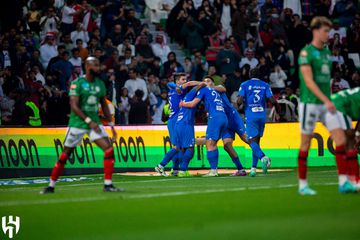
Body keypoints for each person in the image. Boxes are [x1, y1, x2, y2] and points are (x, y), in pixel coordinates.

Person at [41, 57, 121, 194]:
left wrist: (112, 125)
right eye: (95, 65)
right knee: (66, 153)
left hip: (94, 123)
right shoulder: (77, 83)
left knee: (109, 149)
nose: (98, 67)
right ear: (87, 66)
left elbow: (104, 105)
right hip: (78, 123)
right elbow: (74, 106)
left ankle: (108, 185)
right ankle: (51, 185)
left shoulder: (100, 84)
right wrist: (89, 121)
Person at [297, 16, 356, 195]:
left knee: (341, 139)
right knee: (305, 143)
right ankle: (303, 185)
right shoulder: (306, 53)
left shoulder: (326, 53)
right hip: (310, 104)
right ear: (316, 31)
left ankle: (343, 182)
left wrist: (327, 100)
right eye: (325, 31)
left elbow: (324, 81)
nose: (328, 34)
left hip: (325, 103)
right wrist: (326, 99)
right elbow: (308, 81)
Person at [180, 77, 228, 177]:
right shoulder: (215, 90)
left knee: (210, 143)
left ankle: (213, 171)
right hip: (224, 117)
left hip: (214, 117)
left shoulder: (204, 89)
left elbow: (193, 104)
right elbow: (222, 89)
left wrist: (183, 103)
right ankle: (214, 169)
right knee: (212, 143)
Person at [237, 67, 280, 177]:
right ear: (259, 75)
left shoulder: (245, 84)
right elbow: (272, 100)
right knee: (256, 142)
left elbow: (239, 101)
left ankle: (263, 157)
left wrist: (238, 102)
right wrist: (279, 110)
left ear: (250, 74)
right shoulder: (265, 85)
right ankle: (253, 169)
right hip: (262, 115)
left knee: (251, 141)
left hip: (251, 116)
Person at [154, 73, 199, 176]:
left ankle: (174, 169)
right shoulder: (180, 90)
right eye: (183, 79)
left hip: (173, 120)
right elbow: (189, 84)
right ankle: (161, 166)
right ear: (177, 81)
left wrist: (175, 85)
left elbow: (170, 83)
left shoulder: (172, 90)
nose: (185, 81)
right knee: (177, 147)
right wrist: (202, 83)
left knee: (179, 147)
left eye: (185, 79)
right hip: (176, 121)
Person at [331, 87, 360, 189]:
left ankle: (348, 180)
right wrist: (357, 135)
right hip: (339, 106)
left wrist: (357, 134)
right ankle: (354, 180)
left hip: (335, 103)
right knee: (349, 142)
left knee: (347, 142)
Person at [176, 83, 206, 177]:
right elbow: (196, 86)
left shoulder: (184, 98)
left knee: (182, 148)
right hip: (186, 124)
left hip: (179, 124)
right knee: (190, 148)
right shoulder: (190, 95)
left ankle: (183, 170)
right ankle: (182, 170)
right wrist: (203, 84)